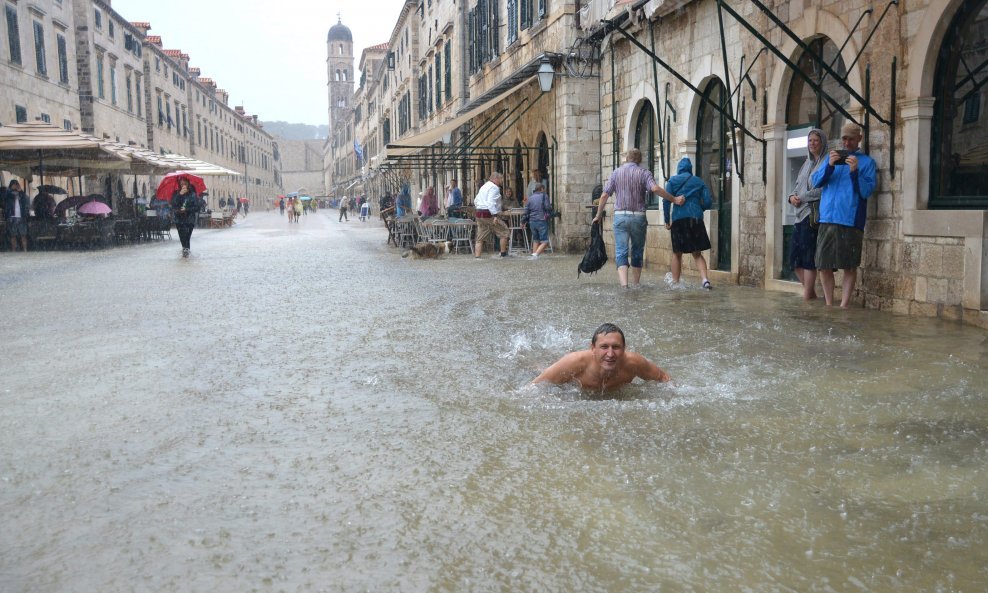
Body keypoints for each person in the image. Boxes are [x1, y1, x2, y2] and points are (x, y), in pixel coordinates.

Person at [593, 148, 683, 288]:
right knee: (637, 250)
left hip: (620, 217)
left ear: (626, 158)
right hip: (638, 218)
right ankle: (635, 284)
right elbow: (655, 189)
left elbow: (604, 195)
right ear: (640, 160)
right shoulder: (644, 173)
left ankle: (624, 285)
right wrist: (674, 199)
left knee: (621, 250)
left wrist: (598, 215)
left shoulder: (616, 173)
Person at [811, 122, 877, 308]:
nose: (847, 143)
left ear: (859, 140)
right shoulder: (830, 159)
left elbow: (866, 191)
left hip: (850, 220)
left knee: (849, 265)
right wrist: (829, 166)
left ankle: (845, 305)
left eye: (851, 139)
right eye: (844, 139)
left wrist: (855, 172)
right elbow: (815, 182)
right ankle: (830, 304)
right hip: (827, 218)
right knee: (823, 264)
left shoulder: (867, 163)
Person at [532, 323, 671, 391]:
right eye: (604, 347)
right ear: (593, 348)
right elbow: (534, 387)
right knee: (544, 371)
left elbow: (664, 379)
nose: (610, 354)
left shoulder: (634, 363)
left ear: (624, 349)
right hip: (570, 385)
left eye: (616, 347)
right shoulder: (575, 362)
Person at [787, 128, 828, 300]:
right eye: (810, 141)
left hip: (812, 216)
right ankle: (811, 294)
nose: (812, 144)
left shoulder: (825, 163)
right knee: (794, 260)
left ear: (822, 143)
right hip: (799, 216)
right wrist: (791, 197)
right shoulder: (805, 164)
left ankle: (807, 296)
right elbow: (797, 187)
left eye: (815, 140)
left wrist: (802, 198)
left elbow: (823, 190)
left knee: (808, 258)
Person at [663, 157, 714, 290]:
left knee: (677, 253)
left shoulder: (672, 181)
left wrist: (667, 220)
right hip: (695, 220)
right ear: (690, 169)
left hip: (679, 220)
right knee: (697, 254)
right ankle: (705, 280)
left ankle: (675, 283)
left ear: (679, 169)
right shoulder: (699, 181)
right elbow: (708, 201)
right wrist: (699, 208)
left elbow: (666, 201)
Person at [473, 172, 511, 259]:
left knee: (480, 237)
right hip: (489, 214)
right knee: (504, 232)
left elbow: (476, 200)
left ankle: (477, 257)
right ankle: (503, 254)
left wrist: (480, 208)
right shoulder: (494, 188)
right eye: (501, 179)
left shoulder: (484, 186)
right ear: (495, 179)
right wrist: (495, 215)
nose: (501, 181)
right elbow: (491, 203)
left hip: (479, 213)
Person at [170, 176, 200, 258]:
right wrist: (180, 195)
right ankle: (185, 253)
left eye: (184, 183)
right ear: (179, 184)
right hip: (179, 220)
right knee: (182, 238)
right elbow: (173, 204)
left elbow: (197, 207)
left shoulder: (192, 194)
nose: (183, 185)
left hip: (189, 220)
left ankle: (186, 254)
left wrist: (187, 209)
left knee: (187, 237)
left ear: (188, 183)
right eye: (181, 183)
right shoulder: (176, 193)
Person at [525, 182, 552, 259]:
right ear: (542, 189)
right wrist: (550, 210)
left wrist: (523, 221)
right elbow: (547, 207)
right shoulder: (544, 196)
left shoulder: (530, 198)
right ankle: (535, 254)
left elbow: (526, 210)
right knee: (545, 241)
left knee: (536, 240)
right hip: (541, 220)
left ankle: (533, 256)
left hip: (532, 222)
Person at [3, 179, 30, 252]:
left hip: (21, 216)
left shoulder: (21, 194)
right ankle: (13, 249)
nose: (15, 186)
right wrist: (10, 190)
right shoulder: (8, 193)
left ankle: (25, 249)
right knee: (13, 235)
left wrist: (21, 191)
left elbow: (26, 200)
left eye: (16, 184)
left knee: (23, 234)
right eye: (14, 184)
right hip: (12, 216)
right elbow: (4, 198)